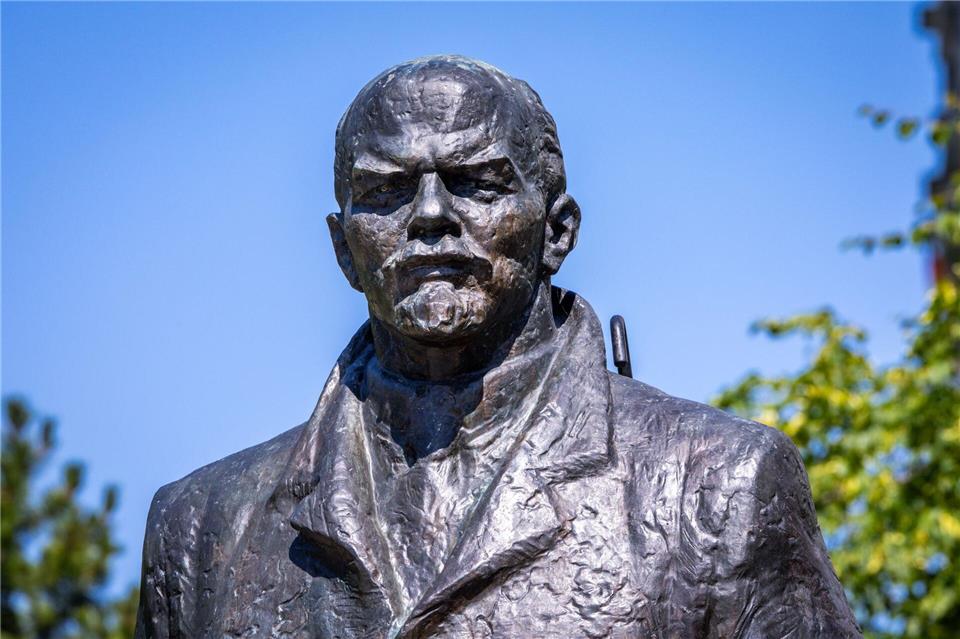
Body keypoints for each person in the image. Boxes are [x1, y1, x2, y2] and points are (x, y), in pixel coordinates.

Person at [135, 55, 862, 639]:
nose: (429, 216)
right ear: (343, 249)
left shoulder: (718, 485)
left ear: (558, 231)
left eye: (476, 184)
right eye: (386, 192)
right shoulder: (199, 527)